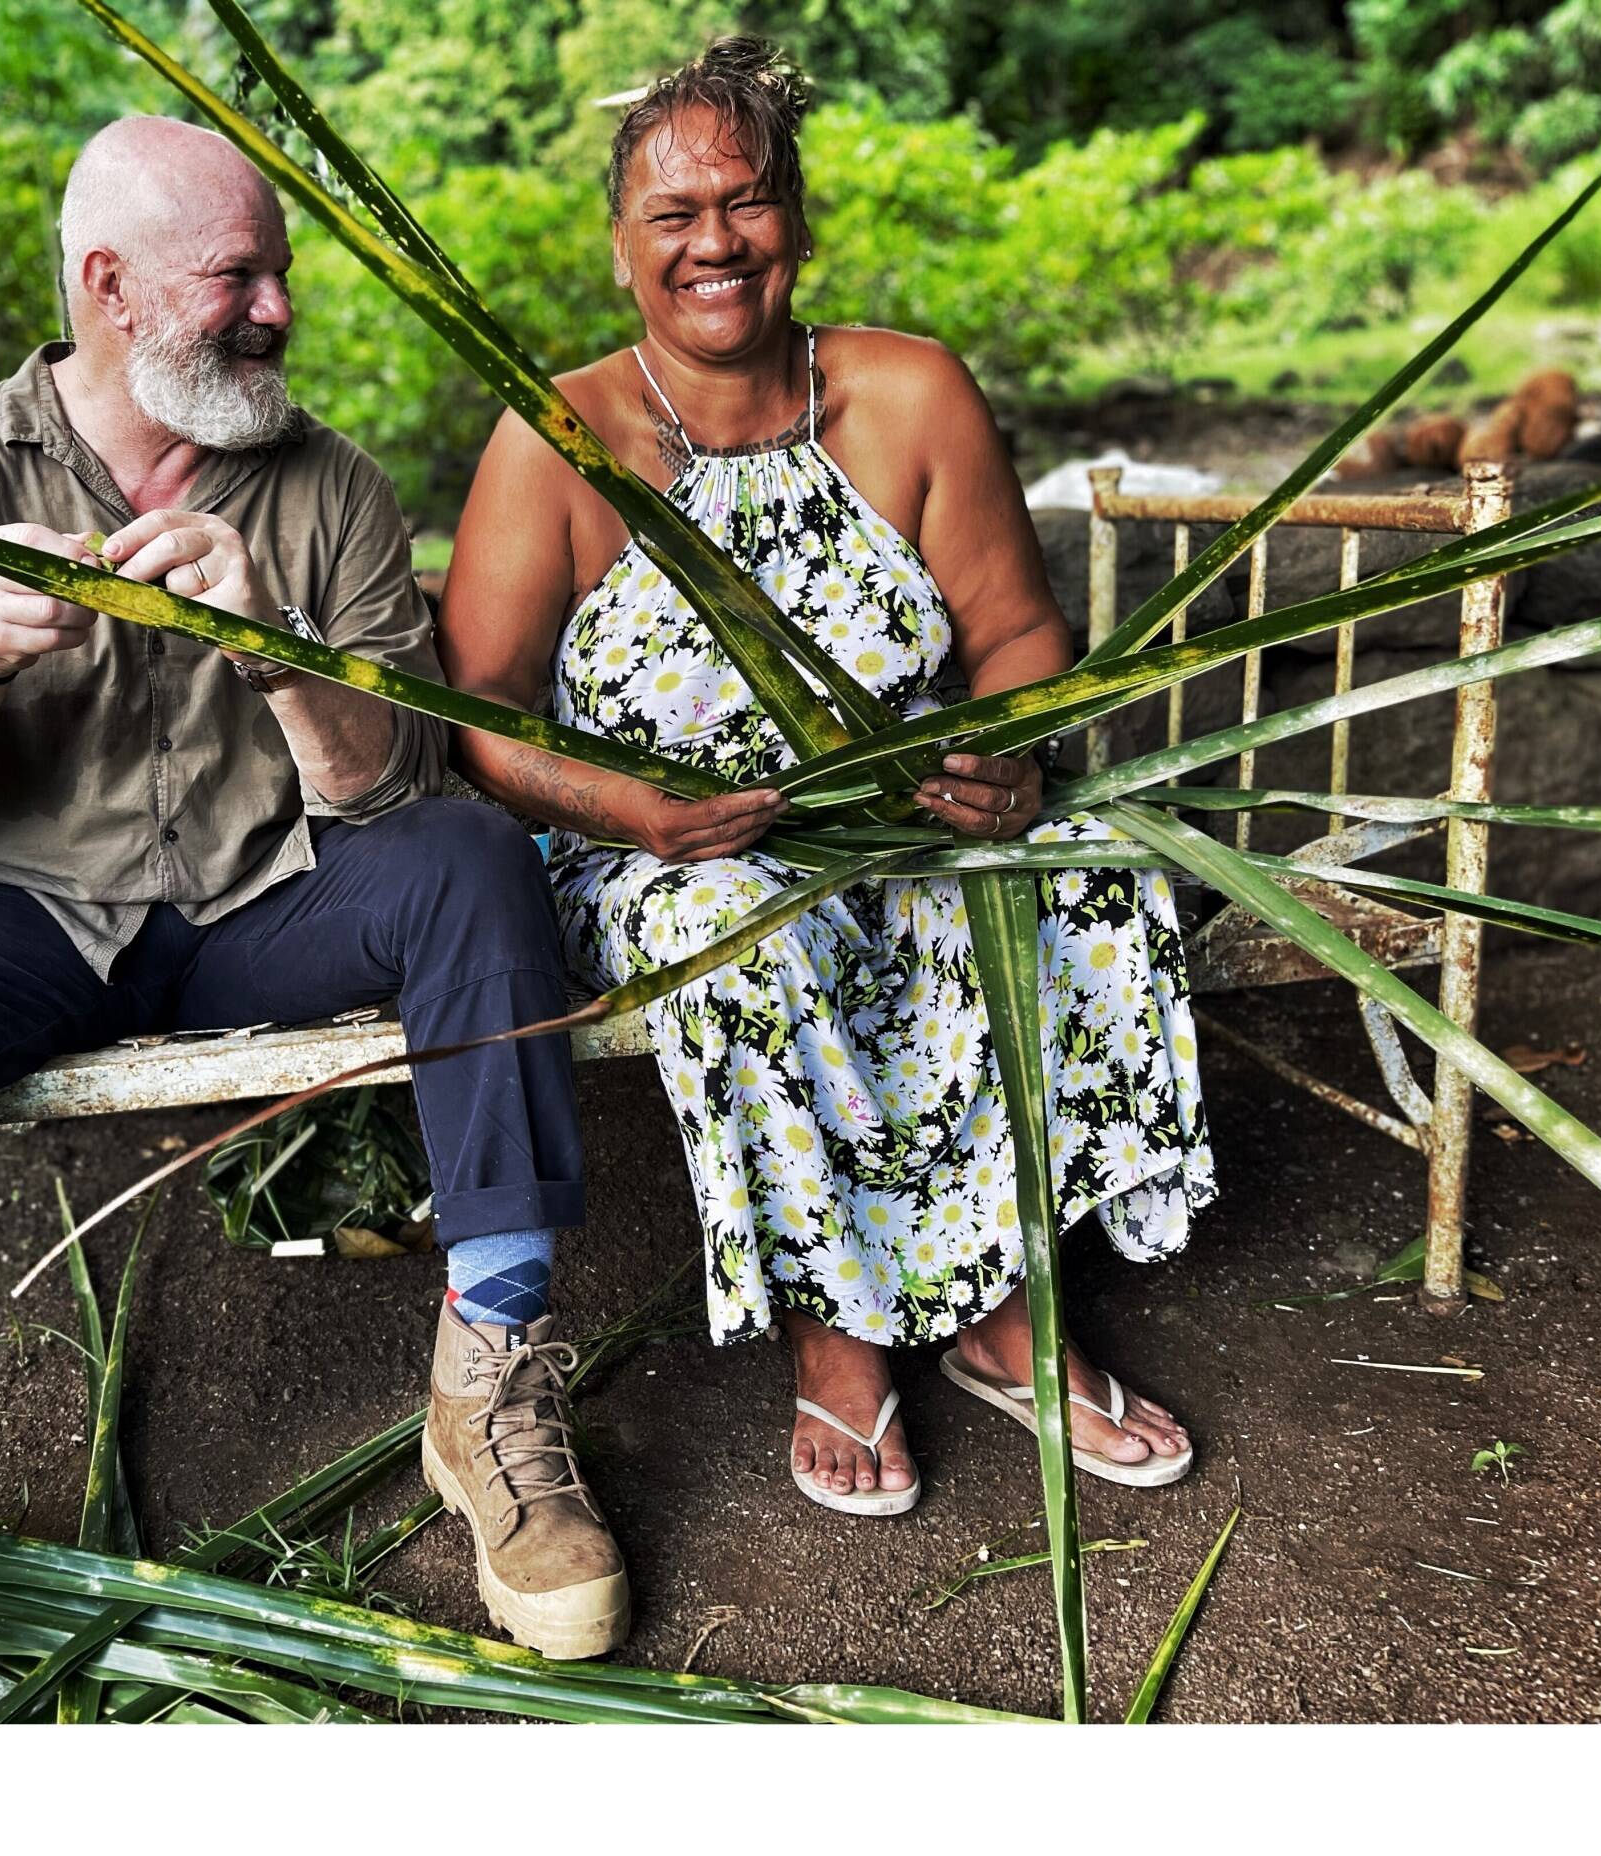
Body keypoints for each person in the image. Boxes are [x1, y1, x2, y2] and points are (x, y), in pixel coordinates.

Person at [0, 117, 627, 1724]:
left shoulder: (328, 486)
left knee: (470, 865)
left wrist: (277, 648)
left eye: (280, 271)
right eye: (241, 275)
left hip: (260, 908)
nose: (281, 307)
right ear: (110, 288)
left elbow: (389, 781)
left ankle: (487, 1384)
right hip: (15, 922)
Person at [439, 40, 1213, 1520]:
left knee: (1087, 872)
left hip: (906, 818)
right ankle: (844, 1327)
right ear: (621, 248)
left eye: (745, 203)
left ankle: (999, 1303)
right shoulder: (559, 441)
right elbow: (477, 712)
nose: (713, 241)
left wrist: (1011, 748)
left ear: (797, 221)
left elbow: (1017, 636)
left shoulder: (910, 394)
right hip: (666, 850)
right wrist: (631, 812)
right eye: (672, 215)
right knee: (746, 928)